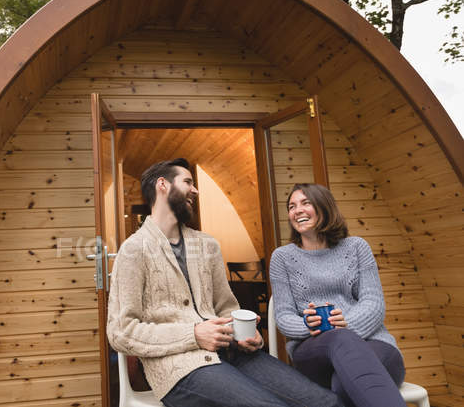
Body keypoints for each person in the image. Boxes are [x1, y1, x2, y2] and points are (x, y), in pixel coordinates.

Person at [107, 159, 343, 407]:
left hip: (234, 355)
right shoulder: (134, 250)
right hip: (179, 369)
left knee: (326, 402)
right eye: (188, 182)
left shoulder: (207, 245)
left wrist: (247, 334)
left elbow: (227, 308)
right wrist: (194, 335)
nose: (195, 190)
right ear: (163, 185)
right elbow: (121, 331)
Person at [269, 183, 406, 407]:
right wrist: (307, 324)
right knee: (340, 339)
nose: (297, 210)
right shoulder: (282, 258)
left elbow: (374, 303)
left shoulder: (356, 247)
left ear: (324, 207)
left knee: (343, 385)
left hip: (374, 343)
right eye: (292, 206)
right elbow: (283, 315)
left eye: (306, 203)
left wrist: (347, 324)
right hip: (313, 351)